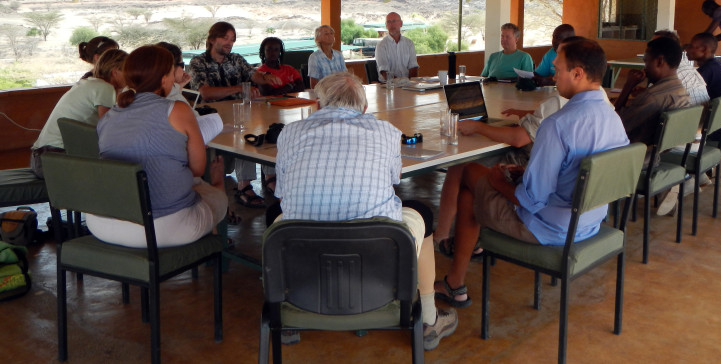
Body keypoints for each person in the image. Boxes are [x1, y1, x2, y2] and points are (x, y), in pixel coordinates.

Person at [434, 39, 629, 308]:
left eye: (558, 69)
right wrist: (526, 171)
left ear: (577, 74)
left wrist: (496, 180)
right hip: (589, 221)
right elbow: (574, 173)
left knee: (470, 176)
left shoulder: (558, 124)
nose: (553, 74)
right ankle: (454, 282)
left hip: (549, 227)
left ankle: (455, 282)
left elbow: (530, 200)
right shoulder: (613, 119)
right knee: (473, 192)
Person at [274, 72, 457, 350]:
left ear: (319, 105)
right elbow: (393, 180)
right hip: (375, 257)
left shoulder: (288, 133)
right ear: (364, 108)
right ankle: (429, 318)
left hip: (305, 256)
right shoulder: (387, 132)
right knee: (421, 211)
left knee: (277, 219)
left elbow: (282, 192)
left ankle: (287, 315)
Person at [89, 45, 228, 248]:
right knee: (217, 195)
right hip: (160, 229)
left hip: (102, 225)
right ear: (164, 79)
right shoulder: (178, 110)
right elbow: (197, 169)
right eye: (173, 73)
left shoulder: (109, 115)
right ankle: (217, 190)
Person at [189, 22, 268, 208]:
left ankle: (247, 184)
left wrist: (266, 78)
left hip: (239, 113)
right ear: (211, 39)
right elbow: (205, 92)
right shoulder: (198, 63)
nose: (229, 43)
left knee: (251, 133)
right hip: (212, 118)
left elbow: (253, 74)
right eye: (225, 38)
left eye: (232, 40)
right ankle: (232, 187)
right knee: (243, 134)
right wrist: (239, 88)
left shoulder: (236, 59)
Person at [615, 36, 690, 216]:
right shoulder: (681, 90)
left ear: (659, 61)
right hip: (656, 157)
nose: (644, 67)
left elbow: (615, 126)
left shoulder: (652, 97)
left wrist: (627, 86)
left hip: (636, 160)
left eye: (646, 61)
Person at [30, 48, 128, 178]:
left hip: (41, 158)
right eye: (128, 71)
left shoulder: (88, 83)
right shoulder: (105, 87)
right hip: (55, 159)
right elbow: (109, 129)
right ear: (115, 72)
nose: (130, 76)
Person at [687, 32, 721, 141]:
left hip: (719, 131)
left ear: (704, 50)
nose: (687, 50)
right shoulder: (718, 65)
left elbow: (685, 92)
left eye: (692, 47)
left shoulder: (707, 70)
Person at [652, 29, 709, 107]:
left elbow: (650, 102)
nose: (649, 48)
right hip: (701, 116)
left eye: (654, 46)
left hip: (687, 117)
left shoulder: (668, 71)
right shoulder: (686, 67)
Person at [375, 12, 419, 82]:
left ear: (401, 24)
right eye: (388, 22)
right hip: (388, 86)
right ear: (386, 26)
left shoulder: (409, 43)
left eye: (394, 21)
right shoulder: (381, 45)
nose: (391, 25)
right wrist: (400, 82)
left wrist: (411, 83)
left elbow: (413, 66)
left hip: (408, 85)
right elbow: (384, 72)